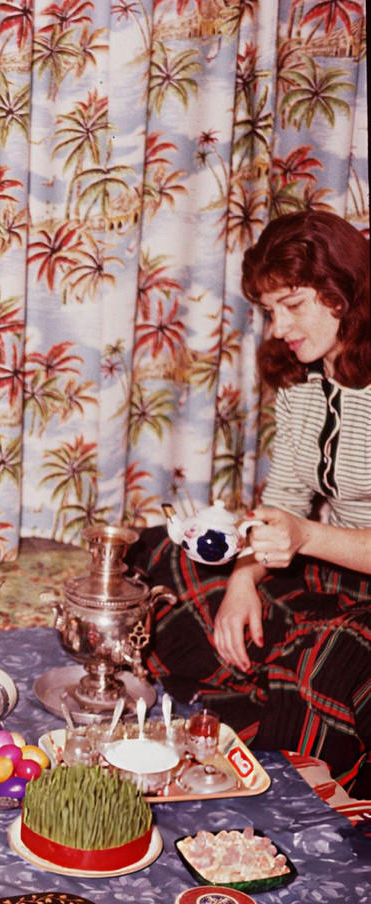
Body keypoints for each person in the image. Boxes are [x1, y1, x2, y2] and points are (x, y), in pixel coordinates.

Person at [129, 210, 371, 795]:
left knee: (334, 655)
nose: (276, 328)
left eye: (291, 305)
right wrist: (242, 578)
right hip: (333, 570)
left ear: (340, 294)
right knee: (163, 553)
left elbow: (302, 530)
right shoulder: (301, 378)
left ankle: (290, 682)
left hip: (349, 570)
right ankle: (285, 679)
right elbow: (285, 501)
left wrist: (306, 538)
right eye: (268, 311)